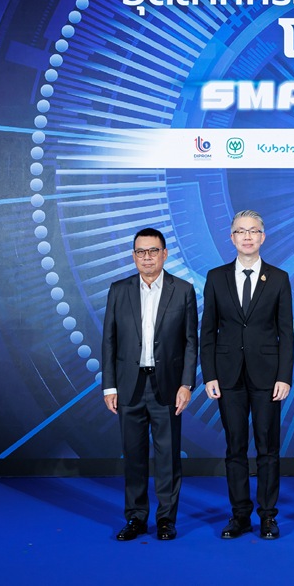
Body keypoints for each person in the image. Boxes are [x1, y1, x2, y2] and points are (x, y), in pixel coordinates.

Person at [200, 210, 293, 540]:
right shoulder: (216, 277)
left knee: (268, 449)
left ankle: (267, 516)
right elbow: (207, 330)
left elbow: (286, 332)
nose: (248, 236)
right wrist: (209, 374)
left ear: (263, 237)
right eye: (241, 231)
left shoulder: (279, 278)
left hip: (268, 377)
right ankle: (239, 515)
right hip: (228, 376)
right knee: (235, 448)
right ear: (232, 238)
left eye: (254, 231)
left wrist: (284, 376)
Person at [102, 227, 198, 541]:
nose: (147, 257)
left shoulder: (182, 290)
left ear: (164, 254)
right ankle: (136, 518)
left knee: (168, 457)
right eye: (141, 252)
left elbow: (191, 343)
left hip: (167, 386)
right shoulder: (119, 290)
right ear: (134, 256)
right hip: (128, 386)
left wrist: (186, 384)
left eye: (153, 251)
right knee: (134, 456)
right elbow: (109, 341)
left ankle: (167, 520)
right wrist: (109, 386)